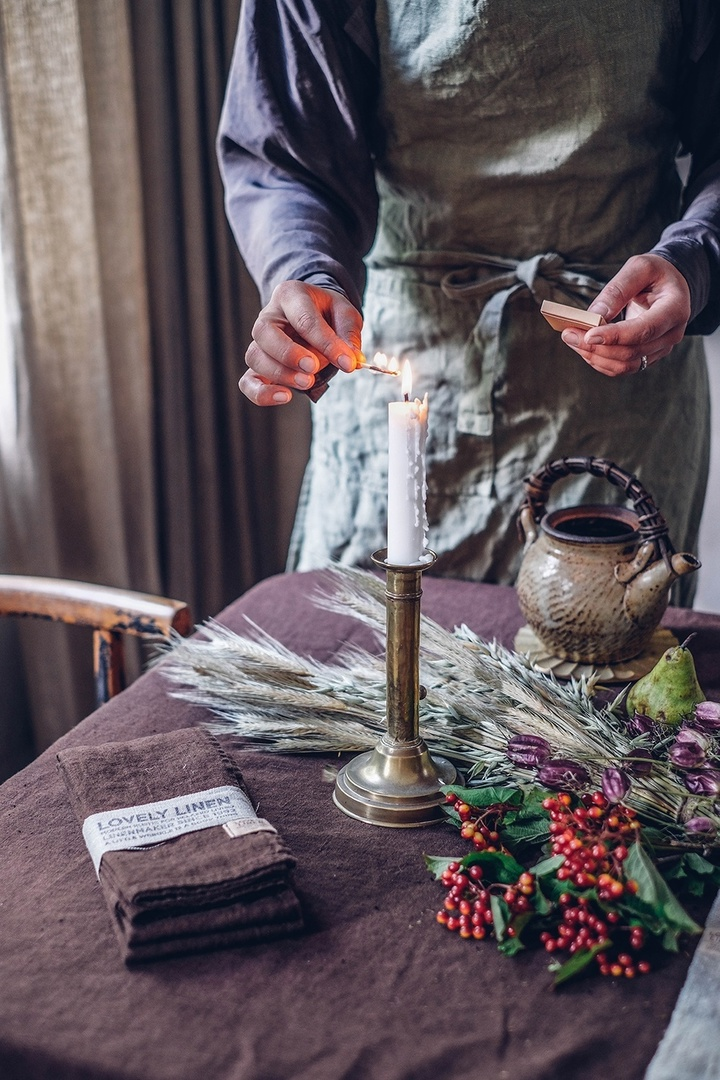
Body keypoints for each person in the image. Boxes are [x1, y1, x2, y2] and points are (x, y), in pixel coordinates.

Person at [217, 1, 720, 602]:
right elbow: (287, 158)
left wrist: (696, 259)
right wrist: (304, 272)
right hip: (409, 340)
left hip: (621, 372)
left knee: (604, 670)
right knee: (369, 666)